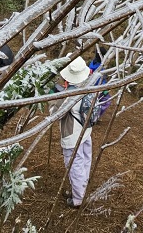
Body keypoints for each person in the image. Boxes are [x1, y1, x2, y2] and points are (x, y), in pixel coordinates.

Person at [52, 56, 94, 208]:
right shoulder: (90, 85)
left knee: (74, 165)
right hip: (86, 131)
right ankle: (82, 188)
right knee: (84, 161)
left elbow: (55, 114)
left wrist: (54, 98)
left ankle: (78, 199)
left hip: (72, 136)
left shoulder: (69, 95)